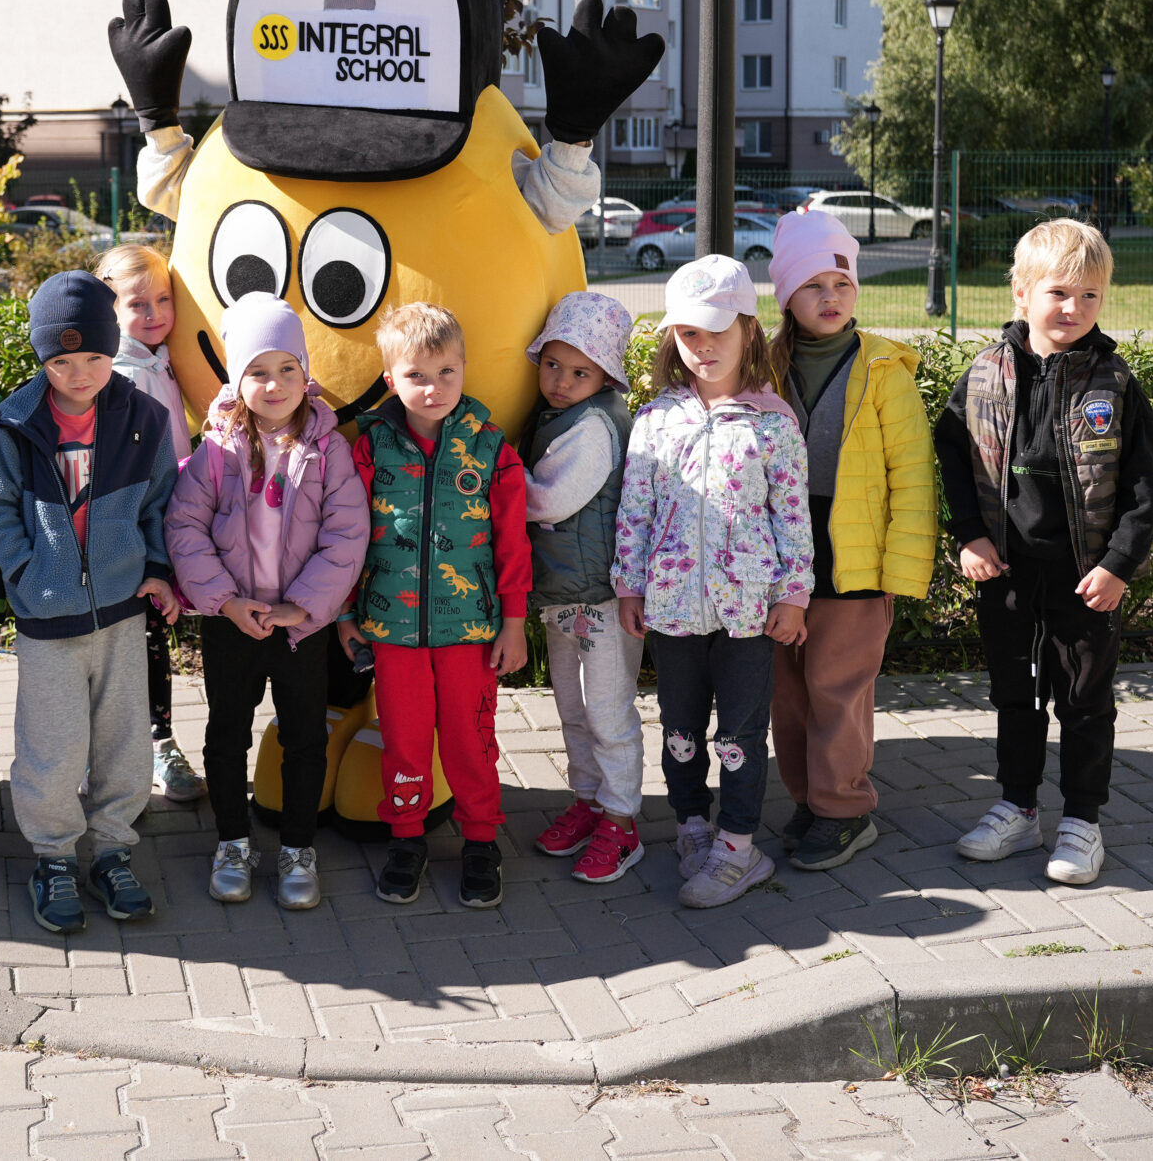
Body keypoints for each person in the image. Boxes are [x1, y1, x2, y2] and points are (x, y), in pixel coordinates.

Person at [934, 219, 1153, 888]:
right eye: (1059, 292)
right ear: (1021, 292)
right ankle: (1018, 807)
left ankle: (1082, 819)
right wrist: (968, 535)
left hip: (1085, 577)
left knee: (1084, 699)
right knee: (1016, 694)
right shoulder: (984, 372)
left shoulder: (1113, 381)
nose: (1073, 308)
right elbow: (952, 456)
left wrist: (1119, 563)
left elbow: (1143, 482)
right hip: (1006, 571)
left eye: (1090, 295)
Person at [0, 271, 181, 936]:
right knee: (53, 745)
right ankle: (55, 857)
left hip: (121, 611)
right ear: (42, 358)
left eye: (94, 356)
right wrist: (27, 571)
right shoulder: (14, 423)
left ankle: (113, 850)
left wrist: (155, 569)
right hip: (47, 616)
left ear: (111, 348)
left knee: (124, 740)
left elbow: (159, 503)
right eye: (61, 362)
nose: (79, 373)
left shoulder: (143, 418)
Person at [612, 255, 814, 911]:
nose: (702, 346)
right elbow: (635, 510)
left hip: (748, 613)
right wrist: (630, 584)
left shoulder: (772, 423)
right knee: (678, 727)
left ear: (749, 329)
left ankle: (738, 846)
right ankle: (692, 825)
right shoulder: (656, 420)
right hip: (672, 609)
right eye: (688, 332)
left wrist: (793, 594)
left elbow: (792, 516)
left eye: (716, 330)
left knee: (739, 736)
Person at [164, 295, 365, 911]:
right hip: (233, 622)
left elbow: (346, 534)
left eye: (286, 369)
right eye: (257, 371)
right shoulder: (217, 449)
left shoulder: (328, 450)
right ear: (237, 379)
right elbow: (185, 527)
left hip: (300, 626)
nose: (273, 385)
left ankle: (298, 848)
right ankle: (232, 841)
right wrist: (225, 602)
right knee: (226, 735)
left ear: (306, 373)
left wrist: (303, 607)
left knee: (305, 737)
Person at [337, 302, 530, 910]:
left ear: (464, 368)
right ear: (390, 379)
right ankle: (406, 839)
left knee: (472, 742)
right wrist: (345, 613)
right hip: (391, 631)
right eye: (417, 375)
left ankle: (481, 841)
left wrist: (514, 623)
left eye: (447, 371)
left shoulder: (490, 448)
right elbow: (346, 537)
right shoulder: (370, 448)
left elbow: (513, 544)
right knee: (404, 740)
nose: (434, 387)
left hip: (471, 631)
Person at [762, 211, 937, 874]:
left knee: (837, 689)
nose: (830, 296)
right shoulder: (765, 366)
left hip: (855, 566)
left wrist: (902, 569)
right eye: (813, 285)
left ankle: (844, 809)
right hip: (779, 563)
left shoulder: (884, 369)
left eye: (842, 283)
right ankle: (808, 799)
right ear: (786, 296)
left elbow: (912, 474)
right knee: (788, 693)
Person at [516, 291, 643, 884]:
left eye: (579, 372)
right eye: (552, 365)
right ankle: (589, 802)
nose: (561, 382)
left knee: (607, 713)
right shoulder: (557, 418)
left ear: (605, 377)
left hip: (602, 598)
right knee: (572, 707)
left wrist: (498, 480)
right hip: (566, 593)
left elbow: (549, 500)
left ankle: (621, 820)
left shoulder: (594, 426)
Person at [94, 239, 207, 809]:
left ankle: (150, 743)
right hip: (134, 534)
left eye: (163, 299)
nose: (156, 313)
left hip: (165, 522)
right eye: (138, 303)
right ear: (110, 310)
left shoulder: (160, 359)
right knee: (138, 641)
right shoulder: (120, 374)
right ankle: (146, 747)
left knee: (152, 638)